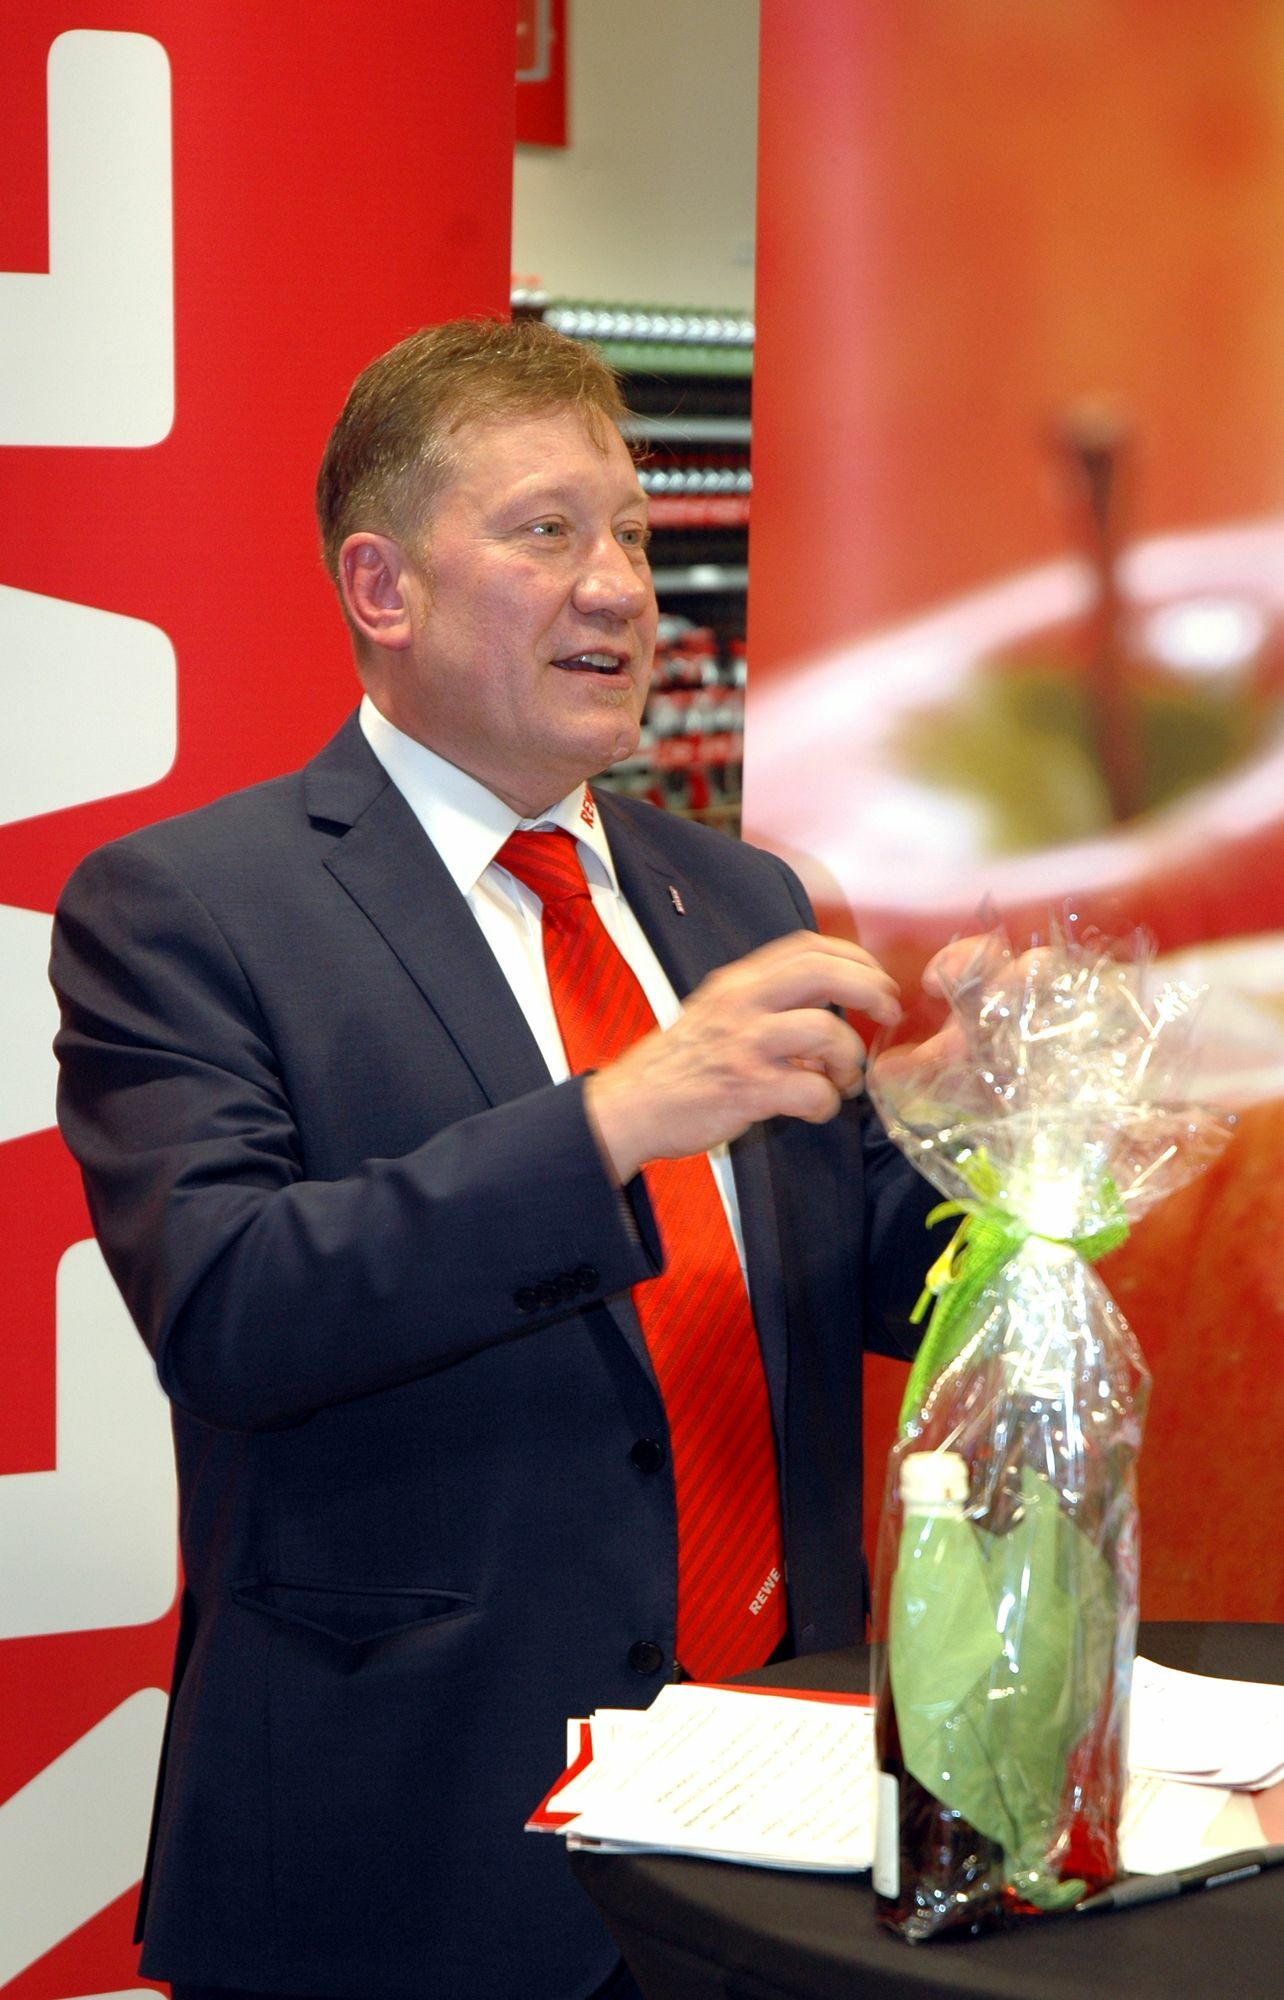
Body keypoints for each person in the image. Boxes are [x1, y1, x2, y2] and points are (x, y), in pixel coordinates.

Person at [50, 317, 943, 2000]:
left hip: (783, 1808)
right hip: (413, 1850)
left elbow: (868, 1273)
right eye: (549, 532)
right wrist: (615, 1118)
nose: (619, 587)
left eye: (635, 536)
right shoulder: (189, 908)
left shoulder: (737, 896)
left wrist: (1006, 1137)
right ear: (380, 586)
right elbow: (234, 1310)